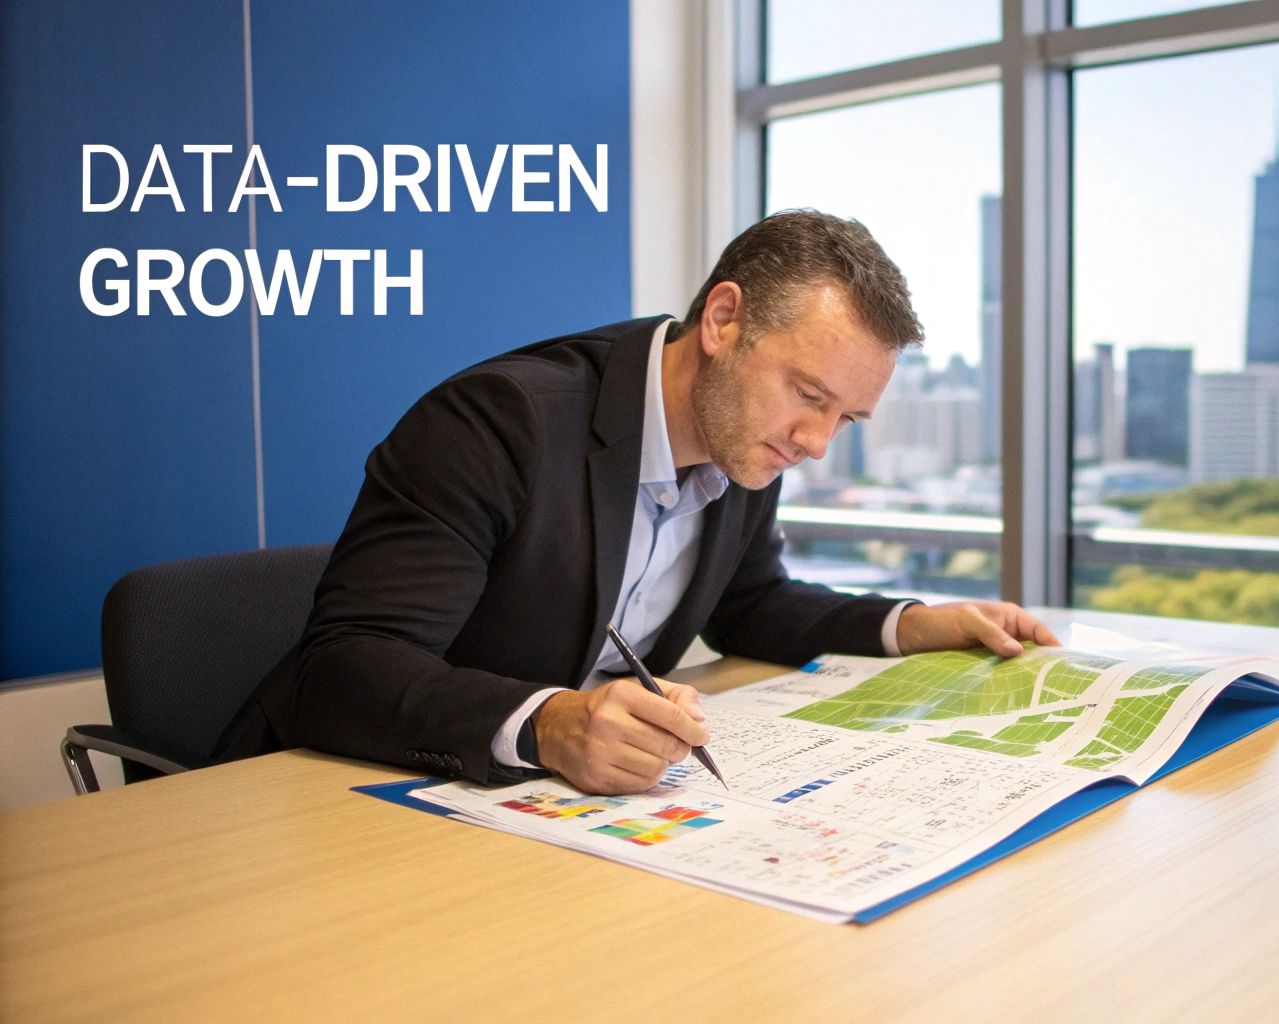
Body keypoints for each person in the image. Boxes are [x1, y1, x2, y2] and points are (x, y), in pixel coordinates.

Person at [218, 209, 1059, 794]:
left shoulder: (746, 444)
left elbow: (753, 608)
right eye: (808, 393)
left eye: (846, 417)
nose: (816, 443)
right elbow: (343, 669)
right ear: (725, 320)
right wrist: (551, 721)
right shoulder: (498, 422)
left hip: (533, 819)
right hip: (341, 791)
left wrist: (914, 624)